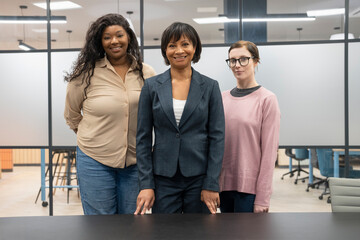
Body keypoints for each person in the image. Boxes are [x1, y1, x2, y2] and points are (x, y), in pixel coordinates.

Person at [64, 13, 156, 215]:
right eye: (107, 37)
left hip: (135, 163)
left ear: (129, 38)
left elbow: (154, 114)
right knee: (100, 225)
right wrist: (95, 137)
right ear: (100, 42)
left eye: (119, 35)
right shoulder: (85, 73)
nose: (114, 41)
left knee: (132, 223)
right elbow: (72, 115)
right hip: (94, 160)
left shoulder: (146, 73)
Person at [134, 22, 225, 215]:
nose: (179, 51)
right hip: (163, 178)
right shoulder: (151, 87)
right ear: (165, 50)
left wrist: (211, 183)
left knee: (200, 233)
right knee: (165, 233)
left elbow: (217, 138)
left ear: (195, 48)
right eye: (172, 45)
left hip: (199, 179)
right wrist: (146, 184)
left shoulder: (210, 87)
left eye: (185, 44)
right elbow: (142, 139)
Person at [219, 40, 280, 213]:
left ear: (255, 61)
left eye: (243, 59)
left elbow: (269, 154)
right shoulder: (222, 98)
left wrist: (262, 198)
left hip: (249, 190)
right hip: (223, 187)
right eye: (232, 60)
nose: (237, 65)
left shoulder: (267, 99)